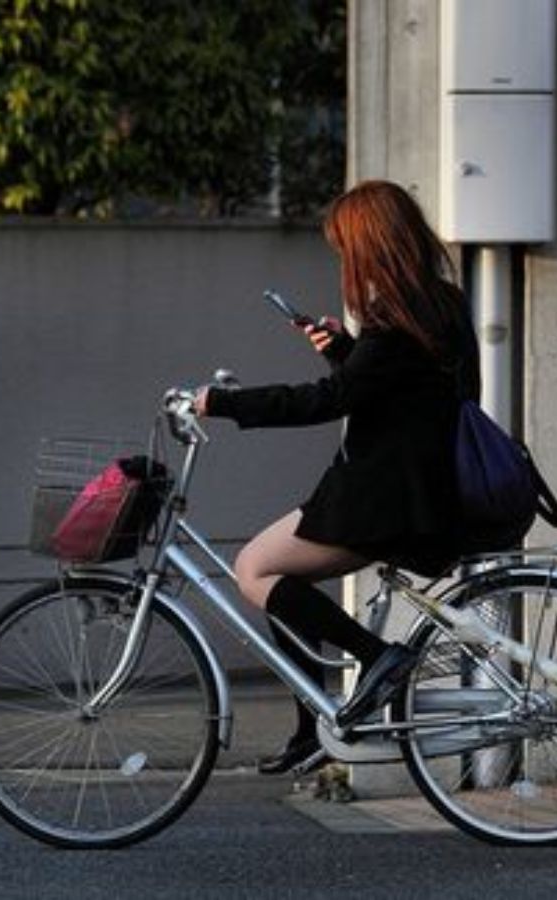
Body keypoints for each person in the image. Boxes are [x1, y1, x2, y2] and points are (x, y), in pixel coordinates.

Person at [195, 180, 479, 776]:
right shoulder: (441, 305)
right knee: (283, 579)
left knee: (254, 568)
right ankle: (312, 728)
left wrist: (223, 403)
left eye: (346, 248)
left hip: (384, 497)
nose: (345, 260)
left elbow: (327, 401)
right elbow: (399, 392)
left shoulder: (393, 319)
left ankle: (378, 659)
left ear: (370, 245)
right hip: (419, 490)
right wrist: (344, 350)